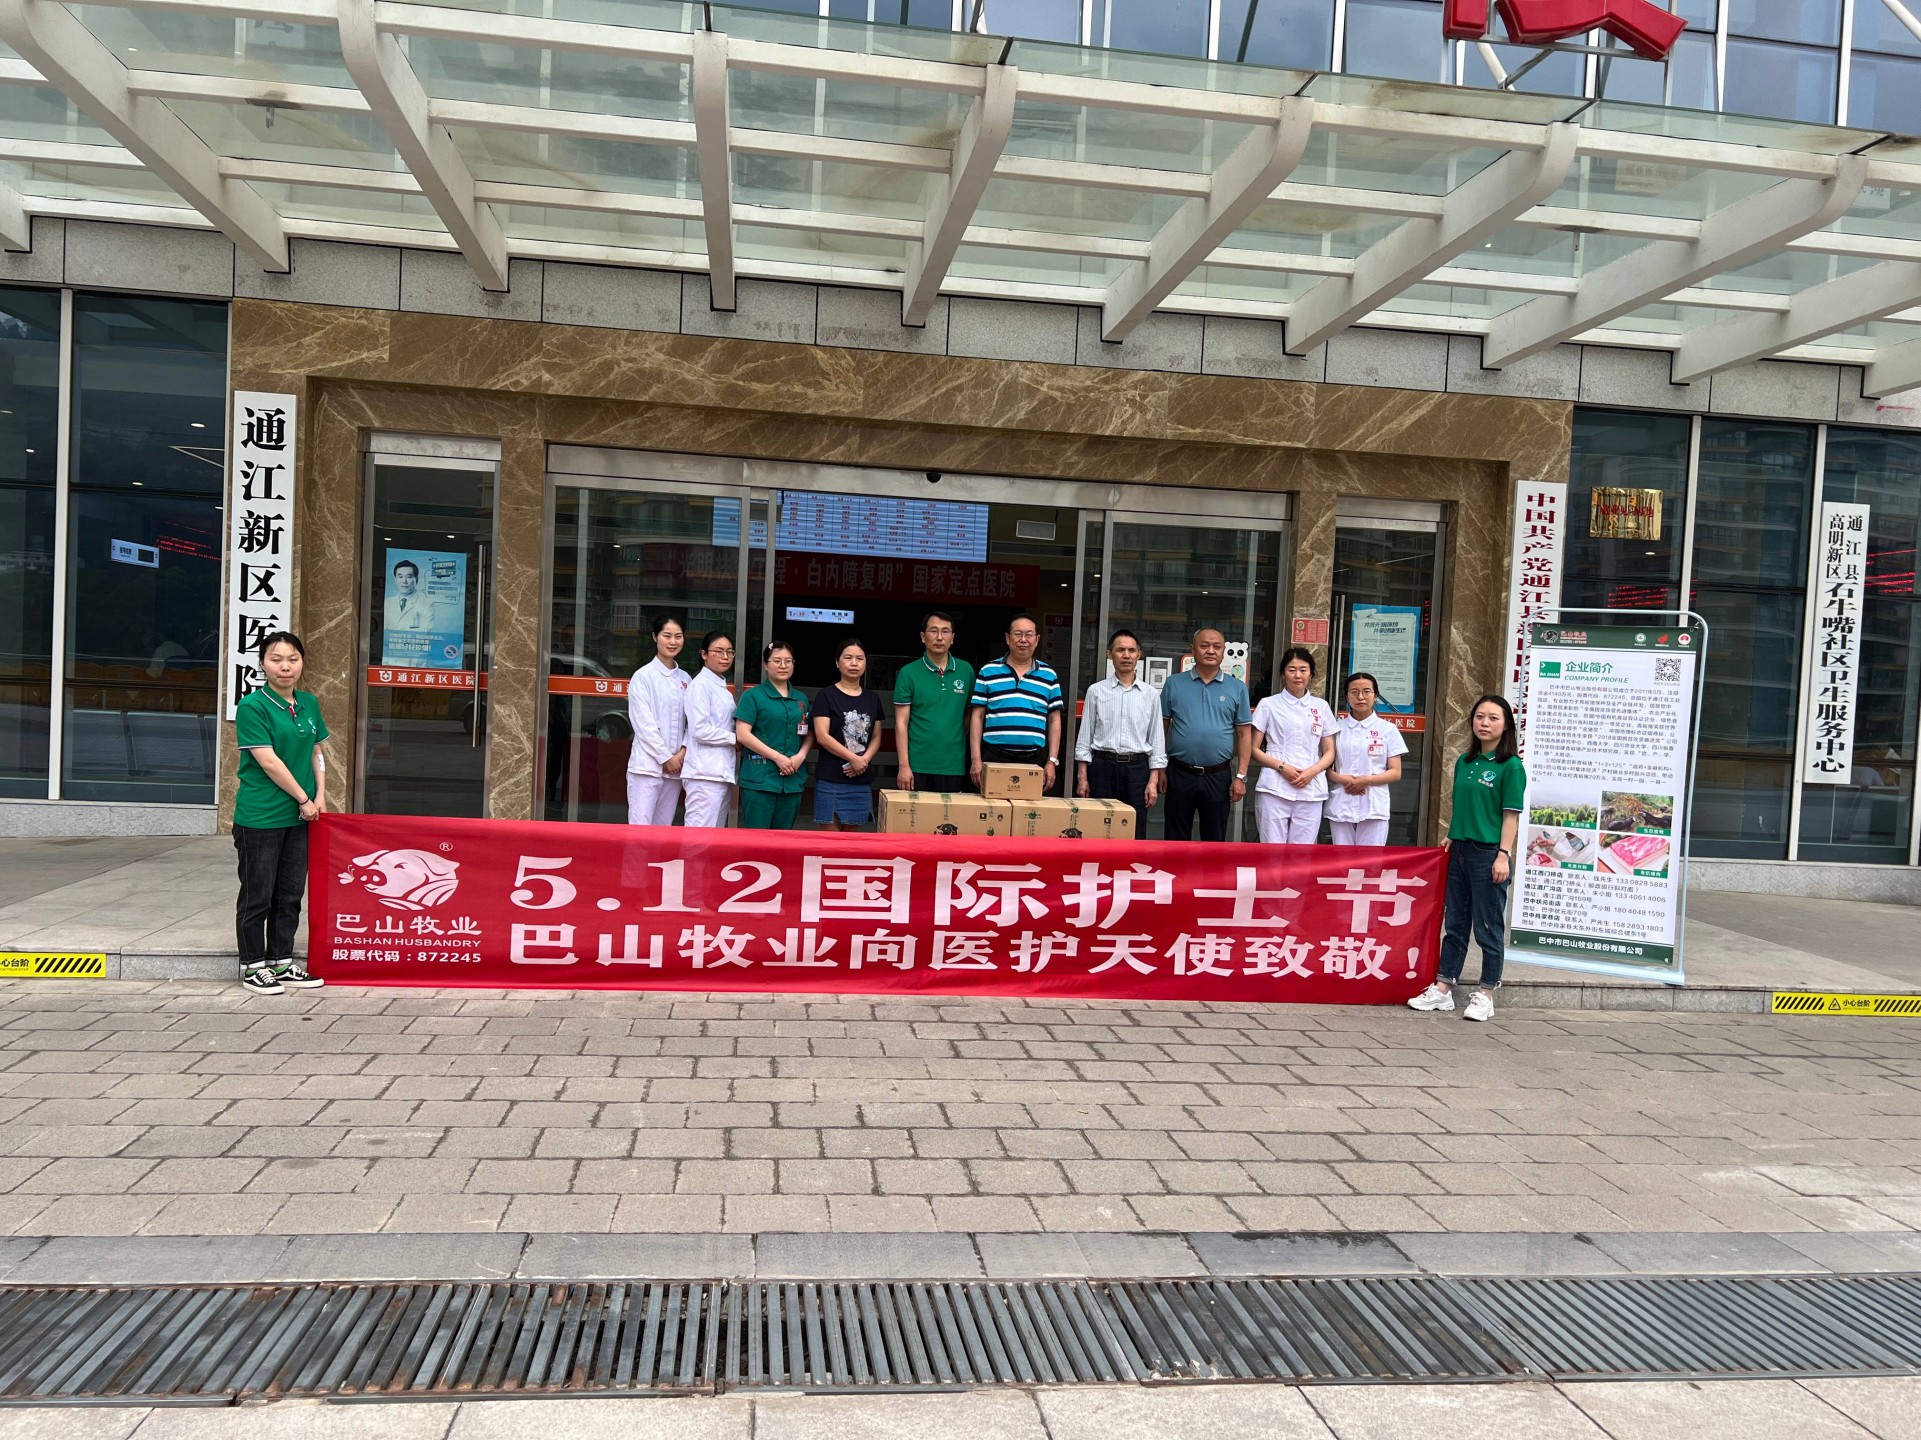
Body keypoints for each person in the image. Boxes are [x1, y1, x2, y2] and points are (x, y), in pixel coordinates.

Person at [1409, 694, 1525, 1023]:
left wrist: (1503, 855)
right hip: (1459, 849)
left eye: (1493, 718)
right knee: (1456, 924)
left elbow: (1510, 816)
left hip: (1488, 854)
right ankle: (1443, 988)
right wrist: (1453, 832)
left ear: (1506, 725)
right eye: (1479, 717)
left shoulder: (1511, 766)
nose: (1484, 723)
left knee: (1488, 927)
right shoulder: (1465, 761)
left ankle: (1486, 994)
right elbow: (1463, 805)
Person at [231, 631, 328, 997]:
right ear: (262, 664)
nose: (285, 666)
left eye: (293, 659)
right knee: (258, 894)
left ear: (302, 663)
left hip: (301, 816)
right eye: (276, 659)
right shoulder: (252, 707)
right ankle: (253, 966)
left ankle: (282, 962)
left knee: (289, 893)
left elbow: (317, 751)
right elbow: (269, 762)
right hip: (261, 817)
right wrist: (304, 797)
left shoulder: (308, 703)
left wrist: (320, 795)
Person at [1158, 627, 1252, 841]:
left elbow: (1244, 735)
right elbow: (1161, 728)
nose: (1210, 651)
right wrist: (1160, 767)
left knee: (1214, 840)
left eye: (1217, 646)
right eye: (1204, 646)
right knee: (1175, 839)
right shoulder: (1174, 683)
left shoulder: (1237, 688)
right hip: (1179, 773)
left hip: (1218, 776)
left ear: (1223, 651)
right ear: (1193, 649)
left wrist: (1241, 777)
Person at [1075, 627, 1166, 833]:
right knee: (1099, 828)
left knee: (1135, 828)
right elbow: (1085, 736)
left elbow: (1157, 740)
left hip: (1137, 770)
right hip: (1102, 767)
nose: (1126, 655)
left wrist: (1152, 781)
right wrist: (1082, 777)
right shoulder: (1096, 691)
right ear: (1109, 654)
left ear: (1139, 655)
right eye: (1120, 650)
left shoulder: (1150, 694)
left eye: (1131, 650)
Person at [1250, 647, 1338, 844]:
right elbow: (1253, 749)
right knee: (1272, 848)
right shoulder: (1268, 704)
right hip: (1274, 786)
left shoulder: (1321, 707)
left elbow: (1330, 751)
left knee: (1302, 852)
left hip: (1311, 788)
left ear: (1311, 673)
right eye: (1291, 670)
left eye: (1303, 670)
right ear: (1283, 674)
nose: (1297, 675)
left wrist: (1310, 773)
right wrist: (1282, 767)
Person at [969, 612, 1063, 793]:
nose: (1023, 640)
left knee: (1031, 809)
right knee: (993, 807)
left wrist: (1052, 761)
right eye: (1018, 634)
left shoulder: (1049, 675)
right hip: (994, 757)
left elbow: (1054, 720)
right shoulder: (988, 671)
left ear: (1037, 640)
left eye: (1029, 635)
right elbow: (977, 717)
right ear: (1007, 638)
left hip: (1035, 760)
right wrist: (976, 759)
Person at [893, 611, 974, 793]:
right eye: (933, 631)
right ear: (923, 637)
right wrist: (904, 766)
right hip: (917, 765)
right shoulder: (908, 673)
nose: (939, 637)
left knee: (951, 812)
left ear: (952, 638)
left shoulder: (966, 670)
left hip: (953, 765)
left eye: (945, 631)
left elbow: (970, 716)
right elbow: (901, 723)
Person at [735, 640, 812, 829]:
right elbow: (743, 734)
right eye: (777, 661)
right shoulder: (753, 696)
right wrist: (777, 757)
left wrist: (801, 756)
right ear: (765, 665)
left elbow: (809, 732)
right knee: (757, 839)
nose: (783, 665)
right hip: (760, 779)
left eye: (788, 661)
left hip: (792, 780)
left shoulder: (801, 699)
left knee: (784, 840)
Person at [1326, 671, 1407, 846]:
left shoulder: (1388, 729)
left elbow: (1395, 772)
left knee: (1371, 859)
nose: (1360, 697)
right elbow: (1326, 769)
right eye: (1354, 692)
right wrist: (1346, 781)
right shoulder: (1336, 729)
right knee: (1342, 858)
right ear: (1346, 696)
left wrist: (1366, 781)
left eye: (1366, 692)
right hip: (1342, 800)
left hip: (1374, 804)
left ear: (1375, 695)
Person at [813, 638, 885, 831]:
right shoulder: (826, 696)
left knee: (852, 840)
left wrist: (864, 760)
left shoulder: (873, 699)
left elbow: (876, 736)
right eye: (848, 658)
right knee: (830, 840)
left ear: (865, 663)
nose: (854, 663)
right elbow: (822, 736)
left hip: (860, 779)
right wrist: (854, 759)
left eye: (859, 658)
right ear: (837, 663)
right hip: (831, 778)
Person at [626, 613, 690, 826]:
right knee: (640, 829)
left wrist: (681, 754)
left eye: (678, 636)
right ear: (655, 637)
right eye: (667, 636)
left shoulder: (686, 679)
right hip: (646, 767)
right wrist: (665, 758)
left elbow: (692, 724)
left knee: (663, 830)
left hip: (675, 769)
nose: (673, 642)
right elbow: (643, 725)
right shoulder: (643, 676)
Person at [680, 631, 737, 828]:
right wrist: (735, 738)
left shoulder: (721, 686)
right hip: (703, 774)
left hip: (719, 772)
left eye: (730, 652)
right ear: (704, 654)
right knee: (698, 837)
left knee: (713, 837)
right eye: (719, 651)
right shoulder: (700, 686)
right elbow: (700, 730)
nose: (725, 657)